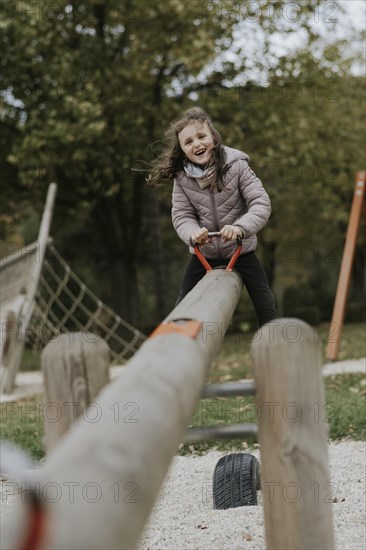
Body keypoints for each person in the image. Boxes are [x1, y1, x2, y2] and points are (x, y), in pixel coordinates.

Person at [148, 107, 277, 327]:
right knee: (183, 302)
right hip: (204, 253)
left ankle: (274, 346)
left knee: (265, 302)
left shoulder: (237, 166)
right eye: (188, 142)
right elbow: (182, 215)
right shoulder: (182, 178)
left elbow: (260, 203)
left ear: (213, 138)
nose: (196, 144)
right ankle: (182, 350)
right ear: (182, 150)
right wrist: (193, 233)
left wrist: (240, 228)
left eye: (201, 137)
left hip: (240, 249)